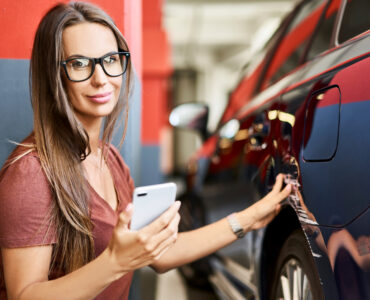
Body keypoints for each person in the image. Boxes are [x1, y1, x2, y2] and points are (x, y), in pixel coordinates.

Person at [0, 2, 291, 300]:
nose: (101, 78)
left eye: (110, 59)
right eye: (79, 64)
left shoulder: (109, 159)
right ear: (54, 76)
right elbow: (25, 295)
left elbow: (163, 255)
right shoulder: (31, 172)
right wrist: (114, 262)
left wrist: (247, 219)